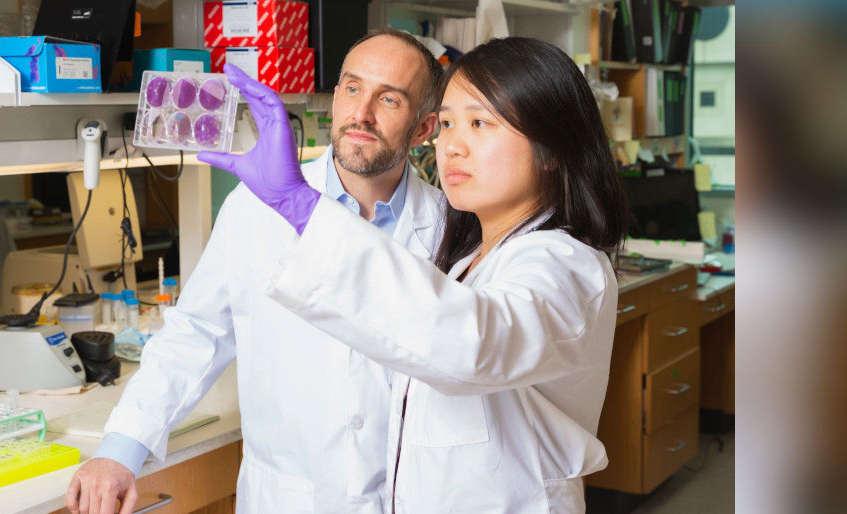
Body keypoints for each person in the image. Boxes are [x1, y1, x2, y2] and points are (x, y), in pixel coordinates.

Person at [198, 37, 628, 513]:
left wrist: (300, 207)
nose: (453, 146)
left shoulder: (565, 266)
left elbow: (469, 341)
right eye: (447, 123)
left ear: (551, 149)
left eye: (480, 123)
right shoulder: (469, 262)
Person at [65, 29, 445, 514]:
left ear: (423, 127)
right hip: (290, 500)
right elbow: (195, 333)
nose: (361, 114)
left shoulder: (452, 230)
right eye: (351, 88)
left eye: (388, 99)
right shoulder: (254, 208)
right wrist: (120, 451)